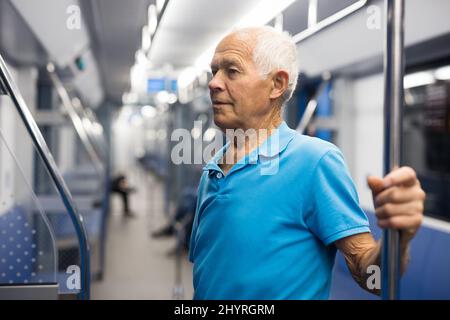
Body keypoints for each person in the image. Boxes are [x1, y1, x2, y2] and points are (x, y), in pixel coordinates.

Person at [188, 26, 426, 299]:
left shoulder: (314, 162)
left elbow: (374, 279)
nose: (214, 83)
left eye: (232, 71)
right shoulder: (214, 168)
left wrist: (399, 238)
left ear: (276, 84)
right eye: (214, 71)